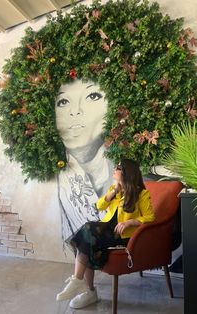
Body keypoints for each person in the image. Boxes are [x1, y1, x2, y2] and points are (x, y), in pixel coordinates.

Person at [56, 158, 155, 309]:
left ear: (127, 173)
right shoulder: (114, 189)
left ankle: (81, 284)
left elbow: (150, 217)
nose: (115, 169)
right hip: (108, 230)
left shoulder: (141, 194)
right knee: (86, 240)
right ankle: (84, 287)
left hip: (123, 236)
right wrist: (115, 191)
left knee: (87, 230)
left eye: (118, 167)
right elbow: (99, 206)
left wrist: (130, 222)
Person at [55, 79, 114, 251]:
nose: (75, 112)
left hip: (119, 234)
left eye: (93, 96)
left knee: (85, 240)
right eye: (63, 101)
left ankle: (79, 276)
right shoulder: (56, 183)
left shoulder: (128, 175)